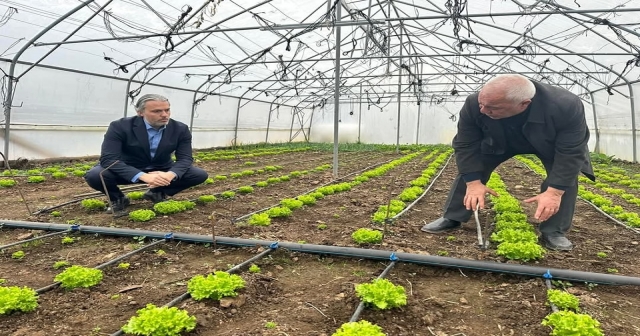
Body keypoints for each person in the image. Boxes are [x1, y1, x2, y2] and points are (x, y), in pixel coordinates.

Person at [420, 74, 595, 251]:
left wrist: (555, 193)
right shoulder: (475, 103)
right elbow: (466, 144)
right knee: (473, 170)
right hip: (497, 140)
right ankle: (453, 217)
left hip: (550, 143)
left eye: (492, 108)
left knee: (564, 178)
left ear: (524, 104)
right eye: (482, 104)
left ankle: (554, 231)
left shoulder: (565, 105)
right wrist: (473, 183)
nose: (482, 110)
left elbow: (571, 153)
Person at [85, 94, 208, 213]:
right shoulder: (120, 126)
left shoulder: (180, 129)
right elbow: (109, 159)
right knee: (95, 175)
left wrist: (170, 174)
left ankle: (158, 192)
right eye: (157, 111)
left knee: (198, 174)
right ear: (140, 112)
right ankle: (118, 198)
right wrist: (142, 175)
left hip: (161, 168)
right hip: (128, 168)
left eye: (167, 110)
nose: (164, 115)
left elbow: (185, 159)